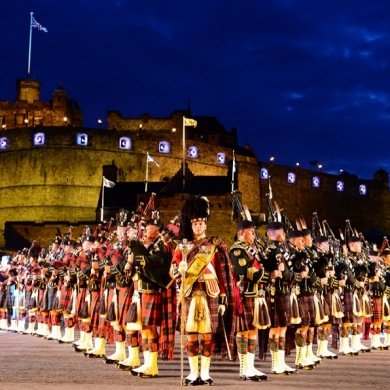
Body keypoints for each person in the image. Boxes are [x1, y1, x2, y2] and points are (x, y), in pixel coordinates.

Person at [171, 195, 233, 386]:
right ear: (191, 224)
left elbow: (223, 275)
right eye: (195, 223)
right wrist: (178, 270)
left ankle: (205, 373)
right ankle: (192, 373)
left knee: (207, 335)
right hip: (189, 293)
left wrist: (223, 299)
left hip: (210, 293)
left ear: (206, 225)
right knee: (190, 334)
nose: (198, 226)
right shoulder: (182, 246)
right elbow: (172, 271)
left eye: (201, 223)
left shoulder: (215, 245)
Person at [229, 218, 268, 381]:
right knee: (243, 331)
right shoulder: (237, 250)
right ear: (241, 233)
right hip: (244, 295)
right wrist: (266, 274)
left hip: (256, 295)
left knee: (253, 331)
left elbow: (261, 269)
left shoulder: (254, 249)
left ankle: (250, 366)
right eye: (251, 232)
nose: (254, 235)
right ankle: (243, 368)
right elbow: (247, 272)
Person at [262, 221, 296, 375]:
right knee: (275, 329)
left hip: (284, 291)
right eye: (281, 231)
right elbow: (270, 270)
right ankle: (275, 363)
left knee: (282, 328)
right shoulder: (270, 249)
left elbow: (288, 274)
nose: (284, 234)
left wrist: (286, 274)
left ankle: (281, 361)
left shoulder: (282, 249)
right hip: (275, 293)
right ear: (274, 233)